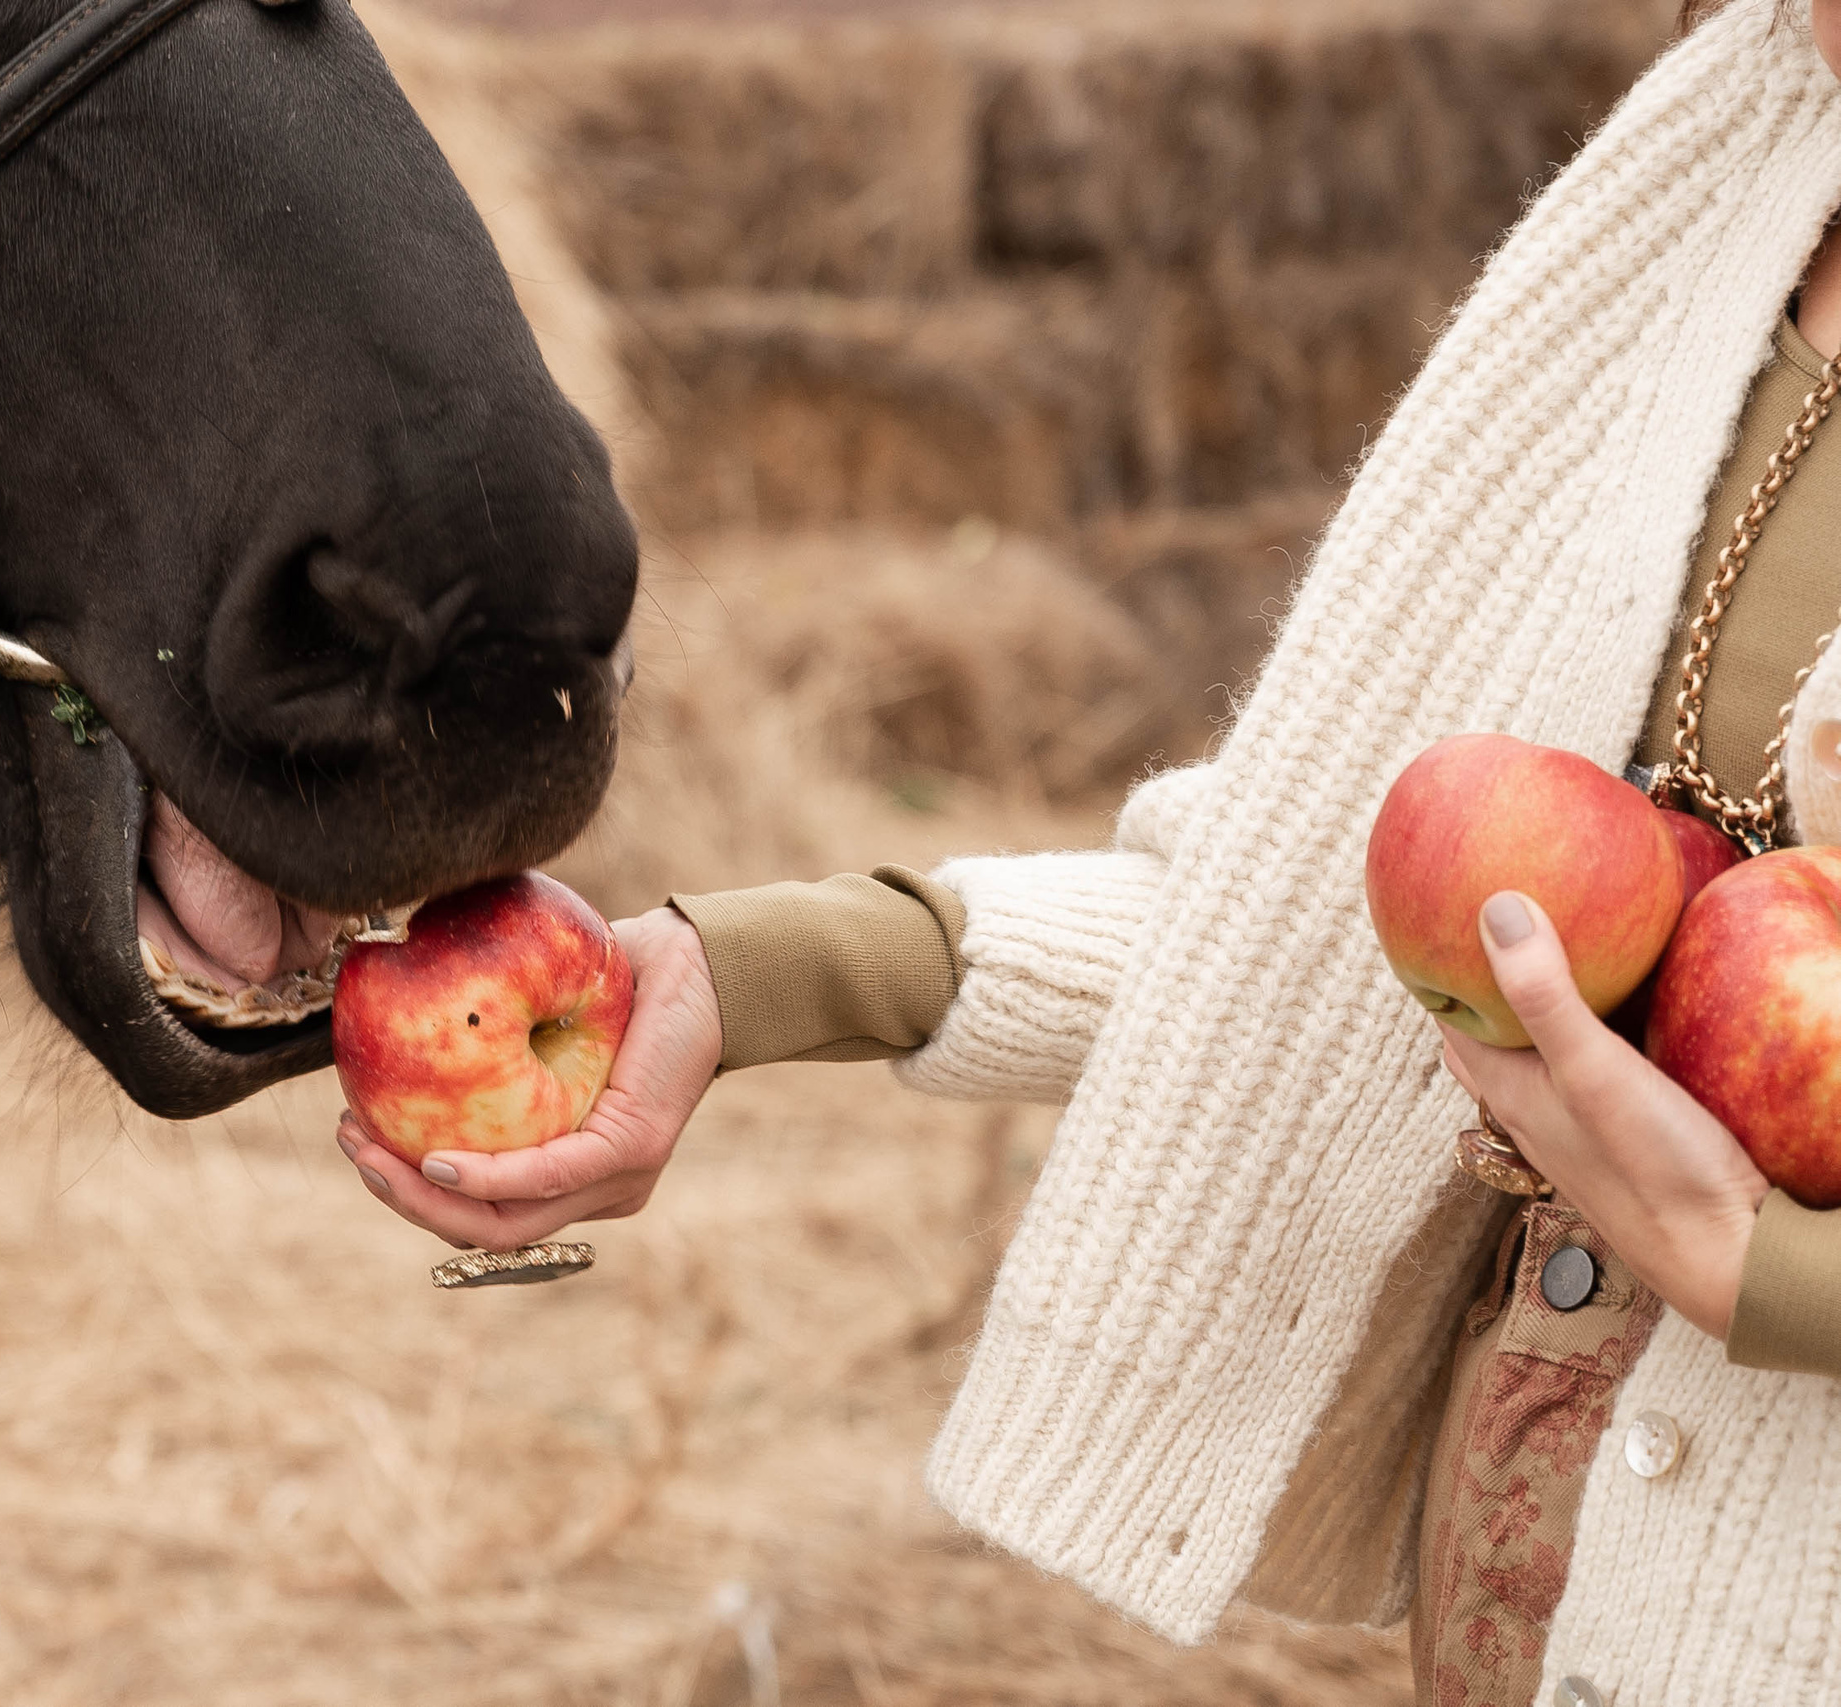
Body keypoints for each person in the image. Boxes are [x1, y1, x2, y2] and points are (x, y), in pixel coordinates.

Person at [340, 1, 1841, 1702]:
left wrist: (1774, 1276)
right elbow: (1323, 932)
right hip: (1528, 1598)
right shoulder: (1719, 189)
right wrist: (744, 978)